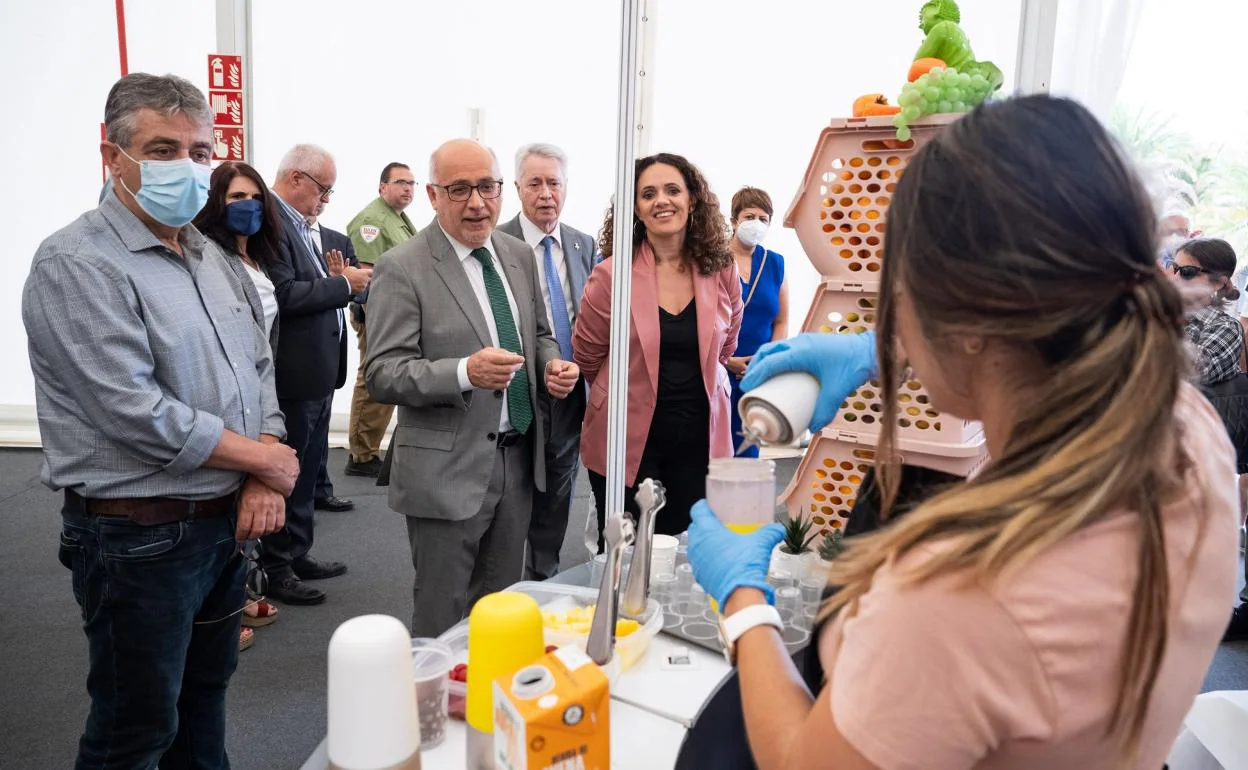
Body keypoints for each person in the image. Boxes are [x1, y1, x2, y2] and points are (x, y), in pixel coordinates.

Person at [687, 96, 1238, 769]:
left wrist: (744, 605)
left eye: (899, 291)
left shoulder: (955, 595)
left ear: (972, 323)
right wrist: (881, 349)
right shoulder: (1189, 432)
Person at [23, 72, 297, 769]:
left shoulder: (210, 257)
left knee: (204, 702)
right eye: (164, 148)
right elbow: (132, 411)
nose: (188, 167)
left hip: (223, 526)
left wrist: (264, 470)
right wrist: (262, 460)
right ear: (113, 156)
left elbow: (258, 370)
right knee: (134, 729)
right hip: (138, 539)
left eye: (200, 151)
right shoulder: (76, 263)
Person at [365, 139, 578, 637]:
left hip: (517, 459)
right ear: (434, 196)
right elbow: (383, 372)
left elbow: (539, 334)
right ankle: (430, 713)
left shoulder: (517, 255)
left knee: (500, 608)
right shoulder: (403, 266)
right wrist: (464, 372)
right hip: (446, 470)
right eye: (459, 189)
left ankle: (486, 709)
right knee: (442, 617)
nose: (477, 203)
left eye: (487, 186)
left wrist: (550, 366)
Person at [575, 152, 743, 541]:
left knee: (691, 552)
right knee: (626, 558)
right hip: (628, 439)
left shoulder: (721, 268)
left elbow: (726, 343)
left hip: (700, 439)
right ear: (636, 208)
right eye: (648, 194)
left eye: (672, 190)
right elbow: (587, 355)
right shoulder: (611, 274)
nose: (661, 200)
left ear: (693, 199)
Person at [263, 144, 372, 606]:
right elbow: (283, 294)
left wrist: (338, 284)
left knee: (308, 470)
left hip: (318, 372)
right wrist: (344, 284)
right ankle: (275, 565)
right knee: (286, 473)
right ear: (294, 178)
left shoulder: (307, 227)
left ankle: (297, 550)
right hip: (292, 371)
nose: (326, 199)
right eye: (323, 189)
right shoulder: (272, 223)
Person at [193, 160, 288, 644]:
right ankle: (224, 609)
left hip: (260, 390)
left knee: (246, 503)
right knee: (228, 502)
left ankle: (238, 597)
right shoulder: (207, 256)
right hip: (231, 400)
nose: (247, 206)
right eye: (235, 198)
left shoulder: (257, 256)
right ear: (216, 203)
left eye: (254, 197)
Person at [498, 143, 596, 580]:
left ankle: (544, 579)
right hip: (515, 390)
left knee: (558, 492)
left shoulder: (582, 244)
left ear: (566, 188)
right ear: (518, 188)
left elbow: (592, 318)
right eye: (534, 183)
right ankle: (502, 586)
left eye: (553, 183)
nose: (545, 193)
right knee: (513, 494)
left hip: (570, 393)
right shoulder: (496, 244)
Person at [344, 162, 418, 477]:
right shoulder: (372, 221)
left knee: (389, 379)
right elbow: (365, 275)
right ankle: (361, 455)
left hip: (397, 312)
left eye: (412, 183)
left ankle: (368, 448)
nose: (408, 188)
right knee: (373, 377)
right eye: (401, 182)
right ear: (382, 186)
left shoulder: (398, 219)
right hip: (377, 311)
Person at [725, 186, 789, 457]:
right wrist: (725, 360)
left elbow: (781, 320)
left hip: (756, 375)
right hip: (716, 373)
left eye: (764, 219)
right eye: (750, 216)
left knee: (746, 454)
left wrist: (768, 359)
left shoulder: (774, 263)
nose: (757, 224)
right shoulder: (712, 258)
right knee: (713, 457)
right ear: (734, 220)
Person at [306, 214, 358, 514]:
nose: (322, 198)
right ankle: (301, 503)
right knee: (303, 435)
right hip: (305, 351)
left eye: (328, 191)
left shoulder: (338, 239)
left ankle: (321, 489)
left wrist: (345, 283)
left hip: (333, 345)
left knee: (321, 430)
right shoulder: (280, 237)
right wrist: (337, 283)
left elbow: (358, 288)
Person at [1169, 237, 1244, 387]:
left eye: (1187, 272)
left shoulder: (1226, 327)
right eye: (1174, 268)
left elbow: (1185, 373)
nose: (1174, 277)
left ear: (1217, 283)